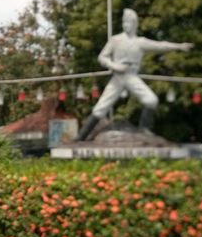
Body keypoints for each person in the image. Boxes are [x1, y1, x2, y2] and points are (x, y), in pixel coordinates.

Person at [75, 8, 193, 141]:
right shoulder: (116, 40)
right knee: (101, 107)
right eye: (124, 22)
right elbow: (102, 57)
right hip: (118, 77)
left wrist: (178, 46)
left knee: (151, 100)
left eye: (128, 22)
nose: (126, 25)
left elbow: (160, 45)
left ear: (134, 23)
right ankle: (81, 136)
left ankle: (144, 128)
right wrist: (114, 66)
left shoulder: (140, 42)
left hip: (131, 76)